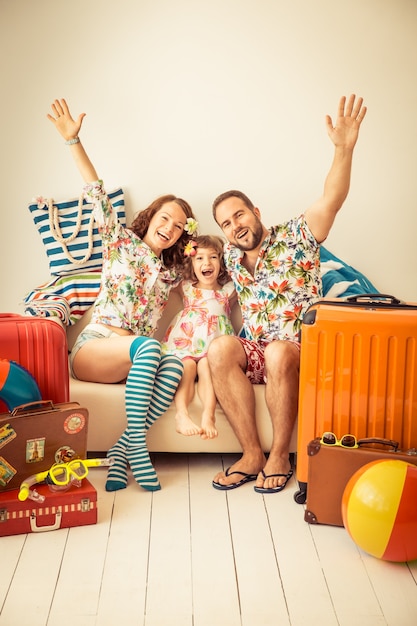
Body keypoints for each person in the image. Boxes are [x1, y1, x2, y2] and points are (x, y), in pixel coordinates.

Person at [208, 94, 367, 493]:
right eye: (227, 223)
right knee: (220, 348)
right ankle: (251, 455)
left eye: (239, 215)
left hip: (301, 351)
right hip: (260, 350)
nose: (235, 226)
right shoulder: (230, 253)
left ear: (256, 211)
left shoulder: (298, 234)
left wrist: (344, 149)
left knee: (279, 350)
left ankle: (280, 455)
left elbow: (332, 198)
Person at [47, 98, 198, 493]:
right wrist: (73, 140)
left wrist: (197, 247)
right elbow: (95, 190)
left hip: (133, 357)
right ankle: (141, 454)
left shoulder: (171, 273)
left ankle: (120, 451)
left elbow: (211, 271)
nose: (170, 227)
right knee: (149, 347)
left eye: (179, 227)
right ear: (151, 217)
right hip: (96, 349)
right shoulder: (120, 241)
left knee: (177, 366)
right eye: (166, 218)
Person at [161, 235, 236, 439]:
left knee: (205, 366)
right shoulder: (186, 286)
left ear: (221, 262)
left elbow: (245, 270)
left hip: (213, 346)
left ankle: (208, 416)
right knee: (188, 366)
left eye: (213, 257)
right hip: (186, 342)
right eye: (199, 258)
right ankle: (182, 414)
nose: (207, 263)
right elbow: (162, 274)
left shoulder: (228, 290)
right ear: (191, 263)